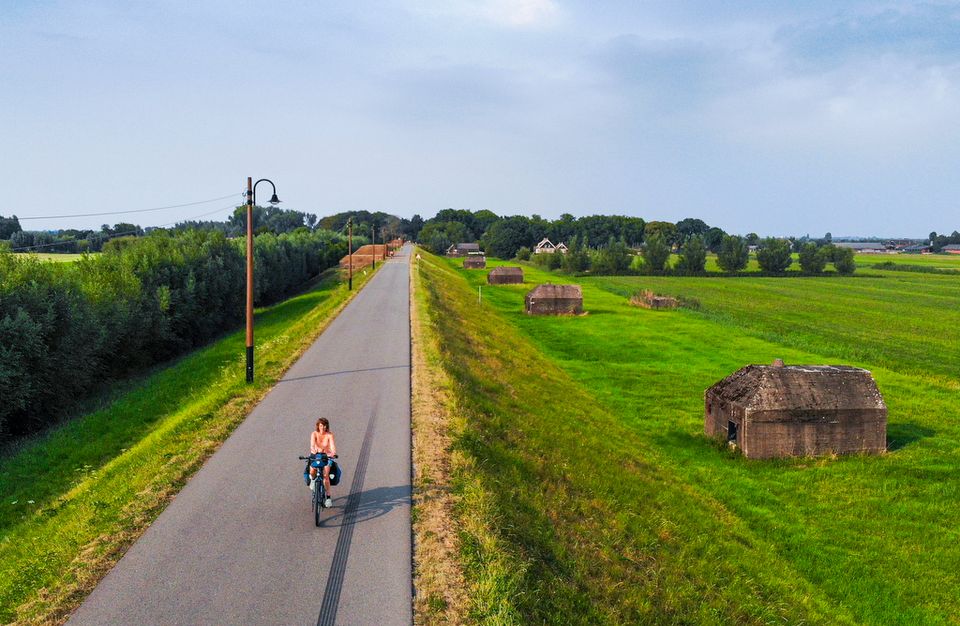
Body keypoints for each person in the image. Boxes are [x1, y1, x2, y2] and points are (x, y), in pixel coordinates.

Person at [309, 417, 337, 508]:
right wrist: (313, 452)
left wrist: (333, 453)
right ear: (318, 426)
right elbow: (312, 445)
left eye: (325, 425)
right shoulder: (314, 434)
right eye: (321, 425)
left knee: (325, 475)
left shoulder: (329, 435)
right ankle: (313, 481)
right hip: (316, 455)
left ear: (327, 426)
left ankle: (328, 498)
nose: (323, 427)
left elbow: (332, 446)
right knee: (312, 471)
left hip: (326, 456)